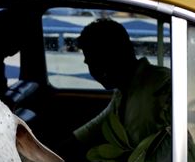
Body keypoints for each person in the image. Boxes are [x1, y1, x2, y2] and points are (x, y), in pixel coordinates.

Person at [73, 18, 171, 148]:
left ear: (122, 52)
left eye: (98, 60)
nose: (94, 70)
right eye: (91, 63)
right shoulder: (123, 89)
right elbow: (94, 128)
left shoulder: (162, 86)